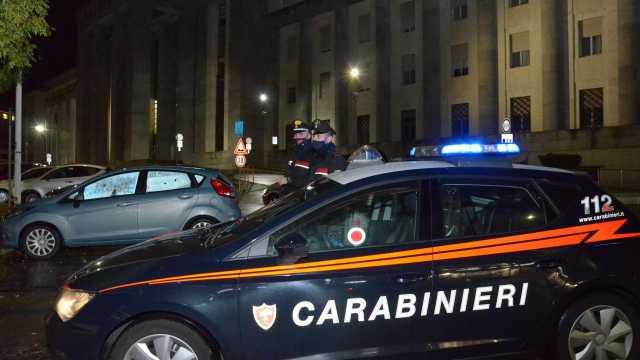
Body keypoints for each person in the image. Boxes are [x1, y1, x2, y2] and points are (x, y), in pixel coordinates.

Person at [279, 119, 314, 189]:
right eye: (296, 134)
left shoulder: (312, 153)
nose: (297, 137)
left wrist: (288, 180)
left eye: (301, 134)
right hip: (290, 191)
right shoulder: (293, 151)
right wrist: (285, 177)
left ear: (309, 135)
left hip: (303, 194)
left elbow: (309, 180)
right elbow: (289, 170)